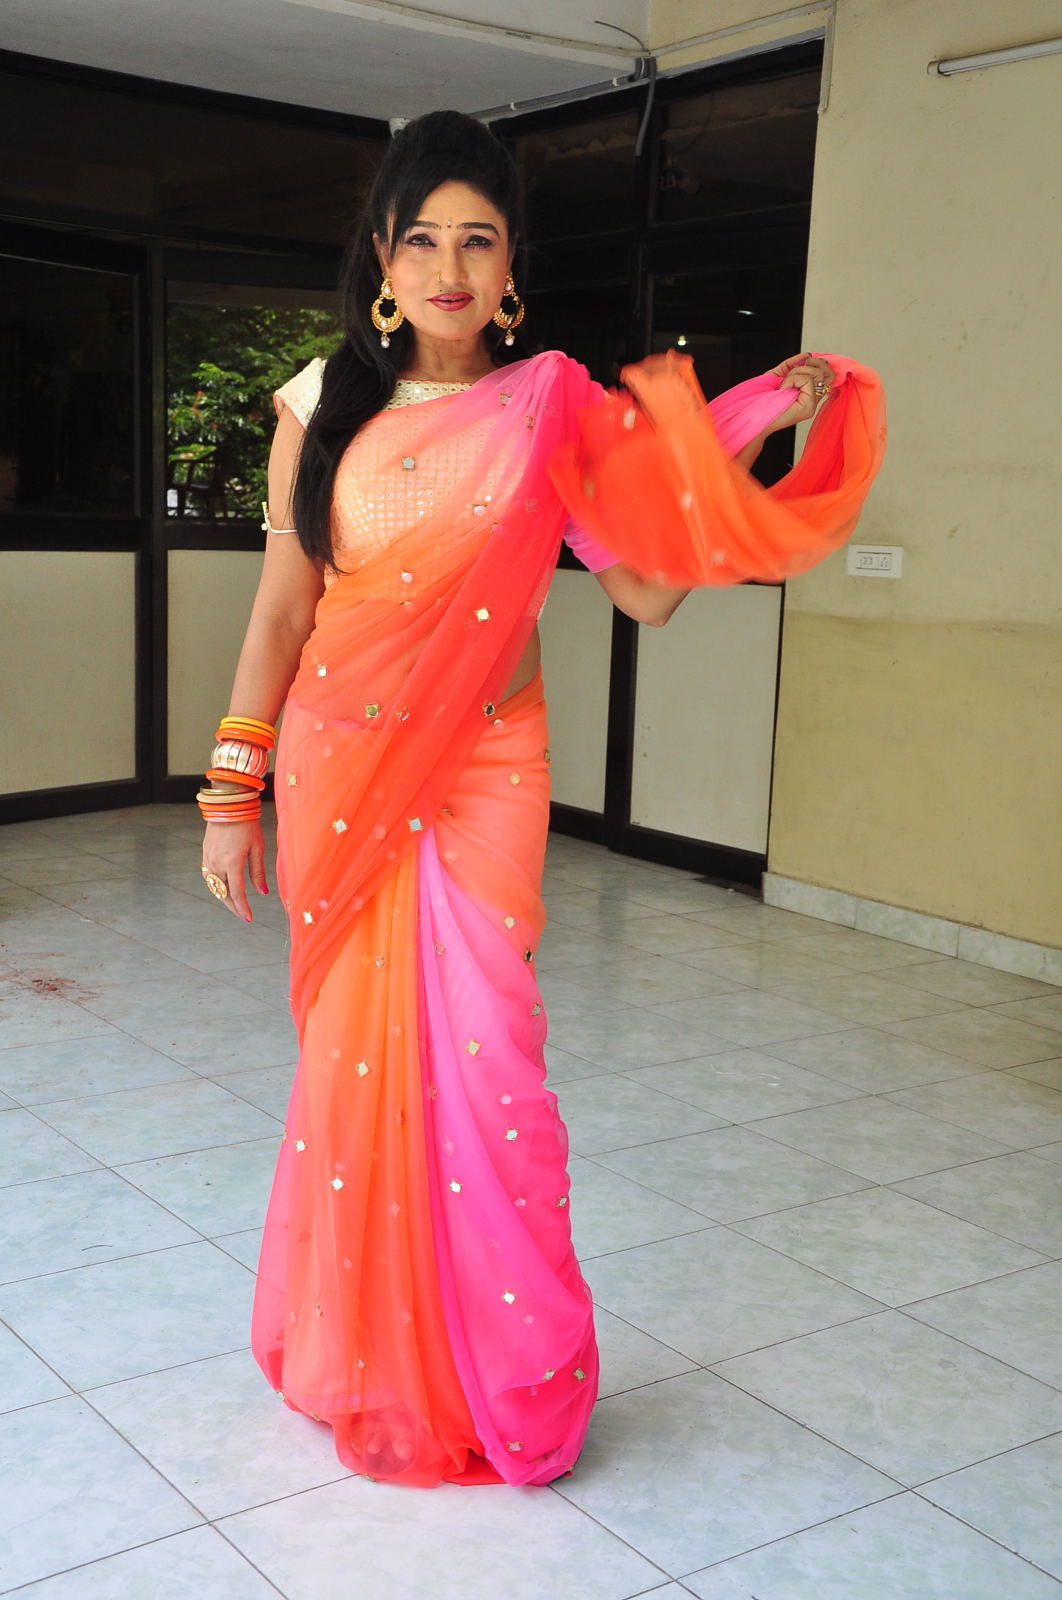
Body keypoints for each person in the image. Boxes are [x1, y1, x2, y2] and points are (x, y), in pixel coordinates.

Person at [199, 109, 883, 1489]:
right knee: (353, 1068)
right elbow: (281, 611)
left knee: (486, 1067)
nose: (448, 269)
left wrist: (736, 455)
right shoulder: (318, 407)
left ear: (511, 266)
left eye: (478, 240)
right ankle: (365, 1357)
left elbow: (643, 592)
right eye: (421, 240)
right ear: (381, 259)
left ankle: (491, 1372)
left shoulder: (552, 404)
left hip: (486, 768)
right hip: (339, 765)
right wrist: (232, 791)